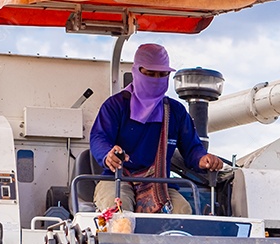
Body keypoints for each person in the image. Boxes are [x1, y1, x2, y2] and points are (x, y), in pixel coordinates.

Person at [89, 43, 224, 215]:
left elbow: (192, 149)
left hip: (160, 183)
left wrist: (203, 159)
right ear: (137, 71)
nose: (156, 79)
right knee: (119, 212)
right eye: (150, 74)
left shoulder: (175, 111)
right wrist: (108, 154)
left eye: (162, 75)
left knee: (183, 212)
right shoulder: (116, 105)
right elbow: (99, 137)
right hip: (117, 179)